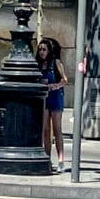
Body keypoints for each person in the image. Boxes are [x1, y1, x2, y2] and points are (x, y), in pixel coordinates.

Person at [37, 35, 66, 170]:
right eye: (40, 49)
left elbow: (65, 80)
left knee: (57, 129)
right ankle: (47, 158)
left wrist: (56, 86)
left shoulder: (56, 63)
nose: (42, 52)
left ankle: (61, 160)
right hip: (44, 98)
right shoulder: (38, 65)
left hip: (55, 97)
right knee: (45, 130)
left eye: (44, 49)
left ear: (49, 51)